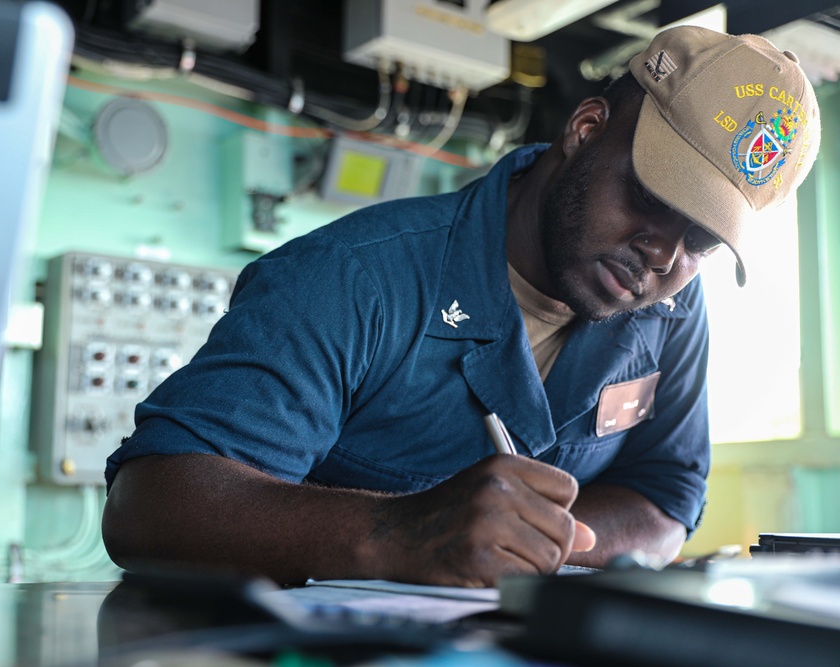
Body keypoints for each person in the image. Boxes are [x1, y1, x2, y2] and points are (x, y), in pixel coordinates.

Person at [101, 26, 821, 587]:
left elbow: (666, 495)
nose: (663, 256)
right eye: (653, 199)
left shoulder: (670, 311)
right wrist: (400, 534)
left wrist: (527, 540)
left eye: (701, 238)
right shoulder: (354, 279)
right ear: (587, 128)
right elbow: (152, 502)